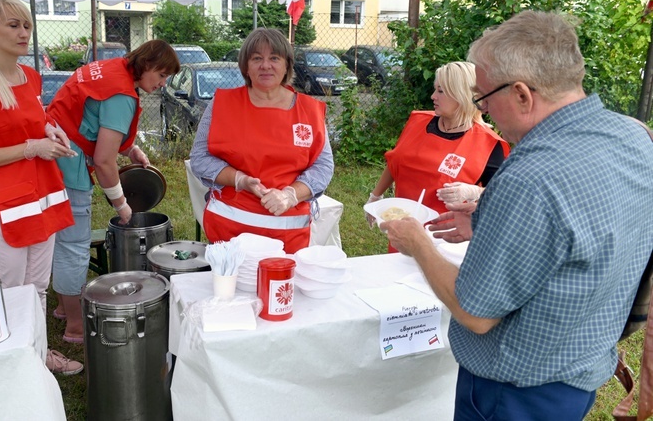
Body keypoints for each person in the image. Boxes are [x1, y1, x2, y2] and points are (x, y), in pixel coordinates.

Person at [381, 11, 653, 420]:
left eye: (485, 96)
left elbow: (476, 313)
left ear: (523, 95)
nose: (484, 110)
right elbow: (590, 230)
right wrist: (485, 223)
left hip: (513, 390)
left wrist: (416, 242)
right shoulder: (634, 135)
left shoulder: (531, 176)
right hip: (578, 369)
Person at [0, 0, 82, 375]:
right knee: (8, 290)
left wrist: (49, 130)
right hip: (7, 202)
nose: (24, 32)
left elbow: (30, 119)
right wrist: (32, 147)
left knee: (37, 287)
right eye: (14, 25)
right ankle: (8, 364)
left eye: (26, 25)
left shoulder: (31, 77)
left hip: (43, 194)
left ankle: (37, 355)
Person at [47, 39, 180, 343]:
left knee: (60, 238)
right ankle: (76, 327)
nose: (162, 84)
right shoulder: (123, 95)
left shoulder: (112, 68)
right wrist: (121, 205)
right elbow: (105, 162)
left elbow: (94, 118)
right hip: (67, 163)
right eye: (160, 75)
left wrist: (130, 149)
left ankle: (63, 308)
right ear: (145, 65)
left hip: (56, 147)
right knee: (73, 245)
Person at [189, 28, 334, 255]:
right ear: (246, 66)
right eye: (257, 58)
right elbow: (199, 158)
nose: (265, 65)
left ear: (287, 65)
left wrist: (290, 195)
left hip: (288, 237)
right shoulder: (222, 104)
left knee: (278, 289)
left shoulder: (309, 111)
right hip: (229, 232)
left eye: (274, 58)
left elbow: (323, 166)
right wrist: (240, 180)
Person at [366, 61, 509, 244]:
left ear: (461, 95)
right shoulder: (418, 122)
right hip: (404, 228)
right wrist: (375, 196)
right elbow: (396, 161)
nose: (433, 96)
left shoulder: (488, 144)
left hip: (446, 237)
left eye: (441, 91)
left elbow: (503, 195)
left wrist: (473, 191)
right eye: (435, 89)